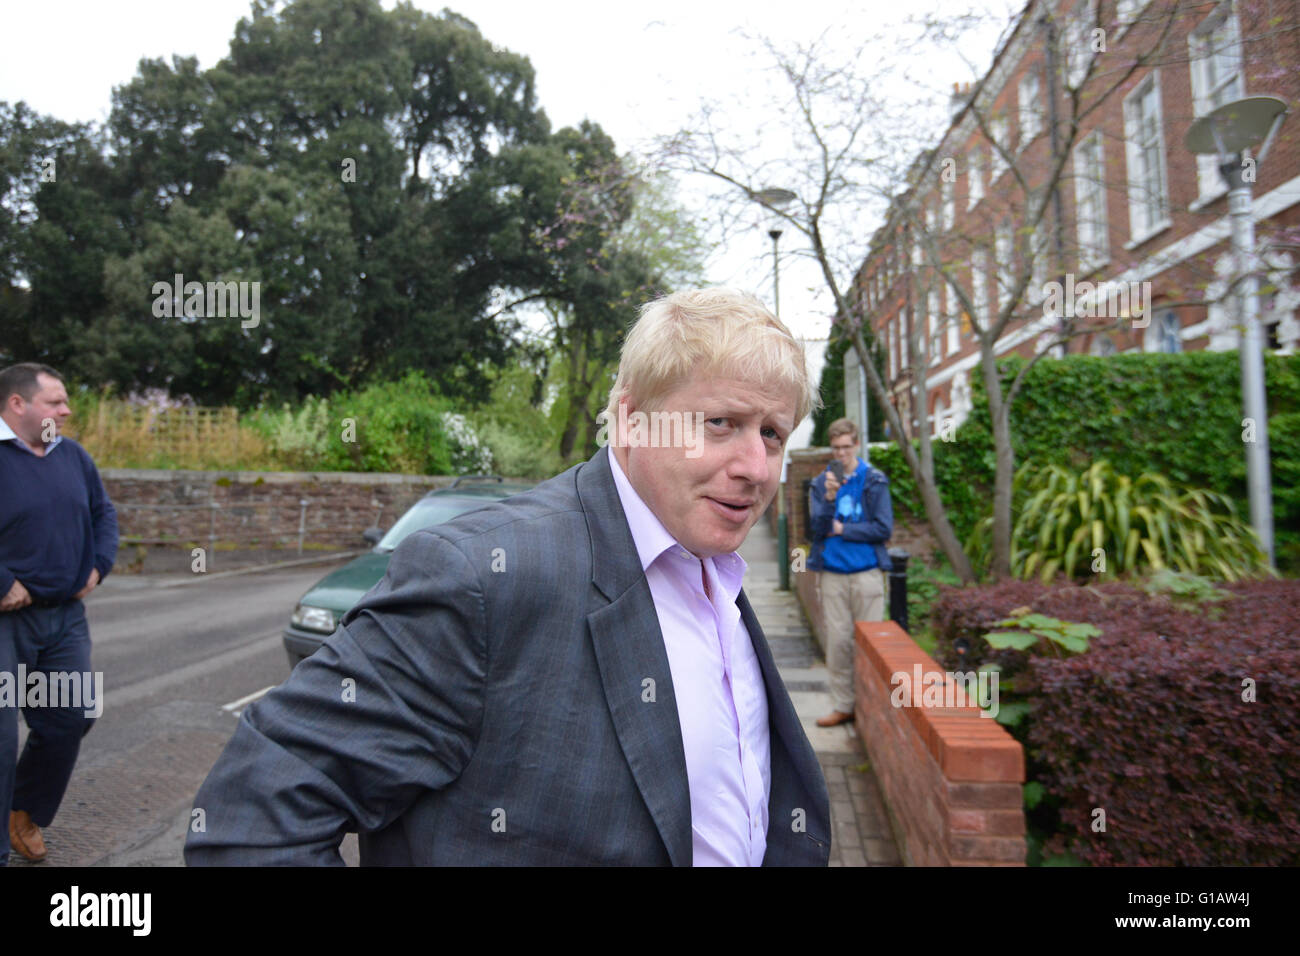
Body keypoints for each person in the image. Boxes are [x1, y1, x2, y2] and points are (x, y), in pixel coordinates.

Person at [185, 288, 831, 866]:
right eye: (722, 423)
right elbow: (249, 820)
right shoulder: (482, 578)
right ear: (631, 419)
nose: (756, 466)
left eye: (773, 435)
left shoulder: (714, 573)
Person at [0, 363, 118, 864]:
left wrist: (99, 566)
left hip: (65, 617)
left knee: (72, 716)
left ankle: (22, 810)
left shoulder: (74, 456)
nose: (67, 410)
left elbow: (103, 514)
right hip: (5, 621)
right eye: (56, 402)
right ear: (17, 404)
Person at [808, 418, 892, 728]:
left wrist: (843, 529)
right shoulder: (821, 483)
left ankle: (872, 706)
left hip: (866, 572)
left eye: (847, 447)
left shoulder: (874, 480)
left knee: (871, 643)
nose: (841, 453)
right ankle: (844, 705)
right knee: (838, 642)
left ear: (856, 444)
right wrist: (829, 500)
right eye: (836, 448)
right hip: (831, 573)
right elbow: (816, 529)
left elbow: (883, 528)